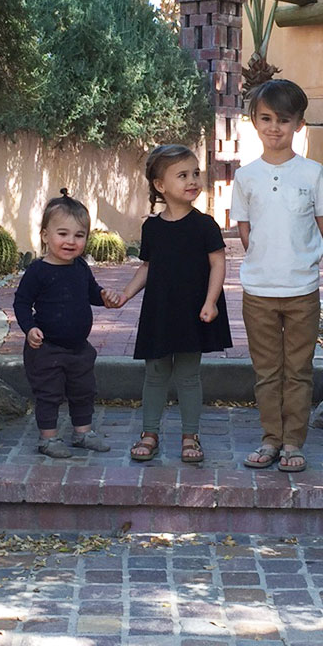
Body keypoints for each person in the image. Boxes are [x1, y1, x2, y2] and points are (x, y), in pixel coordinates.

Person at [231, 80, 323, 473]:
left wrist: (301, 258)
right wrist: (265, 257)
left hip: (301, 290)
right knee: (267, 371)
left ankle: (294, 442)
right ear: (255, 122)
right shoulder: (246, 176)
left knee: (298, 370)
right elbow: (244, 228)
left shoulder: (312, 173)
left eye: (284, 120)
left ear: (299, 125)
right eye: (266, 119)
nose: (274, 127)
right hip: (257, 291)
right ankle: (270, 439)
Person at [114, 144, 232, 464]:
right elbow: (148, 267)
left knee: (188, 376)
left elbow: (218, 264)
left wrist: (211, 302)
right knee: (155, 373)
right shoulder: (152, 227)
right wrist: (125, 294)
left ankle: (190, 435)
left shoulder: (206, 225)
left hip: (194, 311)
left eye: (196, 173)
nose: (193, 180)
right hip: (160, 312)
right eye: (183, 175)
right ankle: (149, 432)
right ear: (160, 185)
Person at [11, 189, 117, 459]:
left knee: (84, 391)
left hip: (79, 348)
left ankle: (83, 433)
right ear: (46, 236)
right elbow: (21, 303)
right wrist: (30, 328)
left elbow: (91, 292)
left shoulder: (80, 267)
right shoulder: (38, 271)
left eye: (79, 235)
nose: (71, 241)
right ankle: (48, 439)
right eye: (63, 234)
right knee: (49, 394)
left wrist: (103, 296)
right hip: (46, 348)